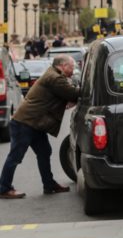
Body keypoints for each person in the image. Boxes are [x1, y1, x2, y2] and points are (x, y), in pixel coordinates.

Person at [0, 55, 79, 199]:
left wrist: (71, 98)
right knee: (15, 156)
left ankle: (49, 185)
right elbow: (73, 93)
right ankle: (4, 188)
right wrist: (77, 93)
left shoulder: (54, 74)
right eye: (71, 67)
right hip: (26, 122)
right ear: (62, 65)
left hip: (34, 123)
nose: (73, 70)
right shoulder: (55, 78)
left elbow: (68, 95)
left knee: (44, 152)